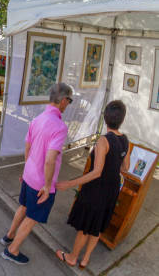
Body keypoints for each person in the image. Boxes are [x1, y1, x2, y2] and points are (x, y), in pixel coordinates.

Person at [0, 83, 73, 265]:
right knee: (32, 218)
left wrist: (27, 169)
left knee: (24, 206)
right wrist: (48, 186)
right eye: (69, 101)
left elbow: (28, 147)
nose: (68, 104)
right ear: (63, 100)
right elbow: (50, 159)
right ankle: (12, 250)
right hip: (42, 182)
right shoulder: (60, 127)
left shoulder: (37, 119)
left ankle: (9, 236)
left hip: (29, 175)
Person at [55, 100, 130, 269]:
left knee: (85, 226)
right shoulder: (125, 140)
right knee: (98, 225)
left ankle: (73, 257)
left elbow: (96, 172)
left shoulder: (103, 141)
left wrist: (69, 183)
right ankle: (85, 259)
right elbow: (125, 167)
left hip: (97, 189)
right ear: (122, 120)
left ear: (105, 118)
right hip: (112, 189)